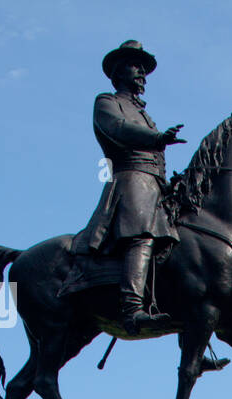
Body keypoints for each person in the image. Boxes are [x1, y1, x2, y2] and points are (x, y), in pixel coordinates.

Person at [75, 40, 185, 336]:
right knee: (143, 236)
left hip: (155, 185)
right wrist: (158, 137)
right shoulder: (107, 102)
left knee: (186, 243)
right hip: (131, 181)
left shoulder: (144, 113)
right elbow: (119, 130)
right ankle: (132, 309)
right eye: (136, 66)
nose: (142, 74)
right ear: (118, 71)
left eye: (144, 69)